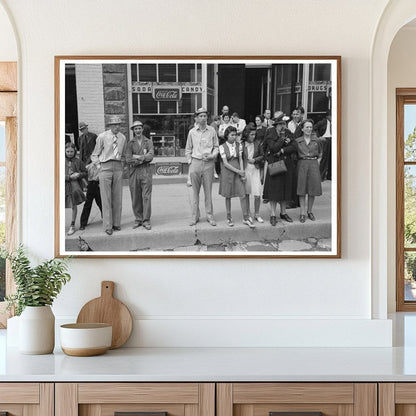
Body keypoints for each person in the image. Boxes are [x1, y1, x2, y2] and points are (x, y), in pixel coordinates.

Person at [91, 115, 127, 235]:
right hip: (105, 167)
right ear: (110, 125)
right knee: (106, 198)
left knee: (117, 197)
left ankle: (116, 223)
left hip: (117, 167)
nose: (117, 127)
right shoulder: (102, 137)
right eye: (114, 124)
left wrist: (122, 166)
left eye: (119, 124)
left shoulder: (122, 138)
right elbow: (94, 154)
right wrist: (99, 167)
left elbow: (123, 154)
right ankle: (107, 225)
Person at [185, 107, 219, 226]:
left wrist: (212, 156)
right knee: (195, 193)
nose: (203, 118)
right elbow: (188, 149)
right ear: (197, 118)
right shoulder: (192, 132)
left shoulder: (212, 131)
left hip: (208, 164)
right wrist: (190, 162)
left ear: (207, 117)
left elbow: (216, 146)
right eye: (200, 116)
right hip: (196, 162)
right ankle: (195, 216)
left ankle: (209, 216)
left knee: (208, 192)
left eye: (205, 116)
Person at [263, 111, 297, 225]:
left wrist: (283, 150)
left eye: (285, 123)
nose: (284, 125)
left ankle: (283, 212)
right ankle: (273, 214)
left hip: (286, 164)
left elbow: (294, 146)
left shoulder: (288, 132)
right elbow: (272, 148)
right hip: (275, 164)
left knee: (285, 189)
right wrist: (282, 140)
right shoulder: (270, 133)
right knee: (274, 190)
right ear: (277, 124)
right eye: (282, 123)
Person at [219, 126, 254, 228]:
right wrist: (238, 171)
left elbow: (241, 159)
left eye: (236, 135)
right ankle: (229, 217)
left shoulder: (239, 145)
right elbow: (225, 163)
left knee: (242, 194)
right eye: (232, 135)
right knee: (228, 195)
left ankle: (245, 217)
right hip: (228, 172)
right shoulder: (222, 147)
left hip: (238, 170)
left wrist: (242, 172)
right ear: (227, 135)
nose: (234, 137)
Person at [125, 120, 154, 231]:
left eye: (139, 128)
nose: (137, 130)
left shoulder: (148, 141)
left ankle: (146, 220)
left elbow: (150, 156)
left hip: (146, 171)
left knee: (146, 196)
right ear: (133, 130)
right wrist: (143, 158)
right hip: (134, 172)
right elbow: (128, 159)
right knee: (136, 196)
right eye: (135, 129)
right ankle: (138, 219)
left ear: (142, 129)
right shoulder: (130, 143)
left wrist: (138, 157)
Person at [295, 119, 323, 223]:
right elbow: (295, 155)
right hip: (302, 164)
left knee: (313, 189)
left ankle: (309, 211)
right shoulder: (298, 141)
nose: (309, 129)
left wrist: (317, 162)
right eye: (307, 127)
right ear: (302, 129)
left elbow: (320, 153)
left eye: (311, 127)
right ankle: (302, 212)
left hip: (313, 164)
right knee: (302, 189)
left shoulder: (317, 140)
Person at [78, 122, 102, 230]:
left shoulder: (94, 136)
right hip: (85, 167)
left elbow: (98, 150)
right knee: (95, 194)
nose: (84, 130)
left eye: (85, 128)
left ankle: (84, 222)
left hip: (93, 164)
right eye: (82, 129)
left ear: (87, 127)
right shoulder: (80, 138)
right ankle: (105, 216)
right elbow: (81, 152)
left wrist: (96, 163)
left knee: (92, 196)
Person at [65, 142, 87, 236]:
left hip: (74, 185)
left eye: (71, 151)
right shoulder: (61, 160)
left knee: (74, 205)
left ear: (75, 151)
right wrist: (68, 177)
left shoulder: (78, 161)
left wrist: (79, 175)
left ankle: (72, 225)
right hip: (64, 184)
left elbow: (85, 172)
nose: (69, 153)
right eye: (68, 151)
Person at [243, 127, 264, 223]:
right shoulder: (242, 144)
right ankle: (248, 214)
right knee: (246, 193)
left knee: (257, 194)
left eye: (254, 134)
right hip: (246, 169)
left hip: (255, 169)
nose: (253, 136)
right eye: (251, 134)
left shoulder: (258, 143)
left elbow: (262, 156)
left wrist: (255, 160)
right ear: (246, 134)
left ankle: (257, 214)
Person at [314, 110, 332, 180]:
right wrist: (319, 136)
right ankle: (321, 176)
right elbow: (315, 128)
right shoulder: (322, 122)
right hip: (325, 140)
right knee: (324, 158)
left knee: (331, 158)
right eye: (331, 116)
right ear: (328, 116)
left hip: (332, 139)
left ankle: (329, 175)